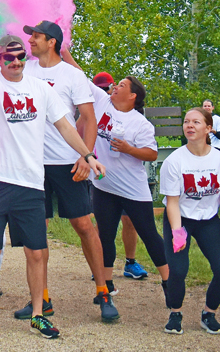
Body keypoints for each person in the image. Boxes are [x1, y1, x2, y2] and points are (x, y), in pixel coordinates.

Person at [0, 35, 105, 341]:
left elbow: (66, 125)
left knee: (37, 253)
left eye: (19, 57)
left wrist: (88, 154)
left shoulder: (40, 88)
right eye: (8, 58)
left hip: (30, 183)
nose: (15, 62)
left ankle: (39, 315)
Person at [22, 21, 117, 322]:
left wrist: (85, 158)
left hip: (67, 162)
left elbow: (89, 119)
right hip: (33, 165)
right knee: (36, 231)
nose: (31, 41)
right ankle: (42, 299)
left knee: (84, 226)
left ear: (51, 42)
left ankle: (103, 292)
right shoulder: (25, 71)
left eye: (35, 36)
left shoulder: (72, 75)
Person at [63, 50, 171, 301]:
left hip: (133, 190)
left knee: (149, 234)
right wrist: (64, 49)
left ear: (132, 96)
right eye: (115, 84)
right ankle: (107, 286)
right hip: (104, 186)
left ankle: (169, 281)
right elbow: (79, 74)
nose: (114, 86)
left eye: (121, 85)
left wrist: (129, 149)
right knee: (105, 234)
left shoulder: (140, 123)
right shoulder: (101, 102)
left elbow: (152, 154)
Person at [160, 107, 220, 335]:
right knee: (178, 269)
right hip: (180, 218)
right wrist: (177, 233)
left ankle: (208, 314)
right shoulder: (175, 161)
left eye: (196, 122)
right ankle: (175, 313)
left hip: (208, 219)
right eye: (186, 122)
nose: (189, 126)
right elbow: (172, 202)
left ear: (208, 128)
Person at [94, 71, 147, 283]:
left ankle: (130, 262)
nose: (106, 91)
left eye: (108, 87)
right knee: (103, 225)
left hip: (129, 181)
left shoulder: (135, 117)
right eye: (101, 89)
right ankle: (101, 264)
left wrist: (128, 148)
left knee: (130, 221)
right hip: (104, 178)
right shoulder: (99, 105)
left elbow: (149, 151)